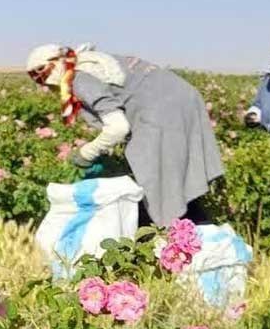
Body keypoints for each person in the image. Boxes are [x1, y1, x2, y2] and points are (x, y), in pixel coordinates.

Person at [26, 43, 224, 227]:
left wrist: (87, 152)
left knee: (156, 182)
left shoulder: (80, 78)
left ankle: (174, 239)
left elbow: (118, 127)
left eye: (43, 78)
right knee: (176, 181)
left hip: (161, 111)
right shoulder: (89, 62)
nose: (45, 85)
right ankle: (197, 233)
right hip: (182, 100)